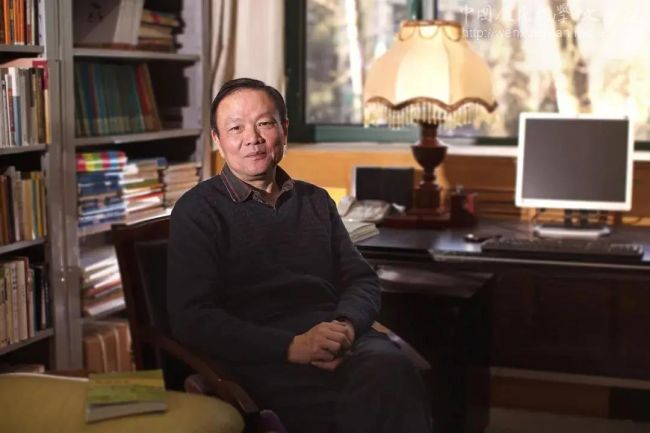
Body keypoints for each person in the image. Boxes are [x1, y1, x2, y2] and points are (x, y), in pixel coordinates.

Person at [167, 78, 432, 433]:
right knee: (358, 401)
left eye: (264, 123)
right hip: (261, 355)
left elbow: (360, 279)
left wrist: (345, 326)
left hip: (339, 338)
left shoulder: (315, 200)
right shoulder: (198, 211)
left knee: (392, 369)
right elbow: (192, 317)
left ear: (284, 130)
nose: (253, 138)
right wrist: (293, 347)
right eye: (235, 128)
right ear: (217, 140)